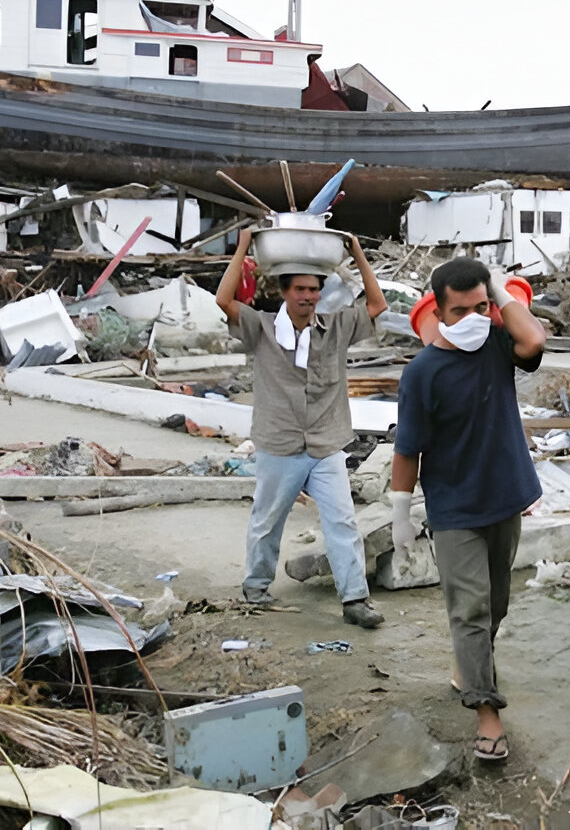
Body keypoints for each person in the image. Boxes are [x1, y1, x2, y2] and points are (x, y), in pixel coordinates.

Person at [388, 257, 547, 761]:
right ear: (438, 310)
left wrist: (498, 291)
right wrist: (400, 512)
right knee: (472, 608)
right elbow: (407, 449)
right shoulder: (422, 373)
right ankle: (487, 714)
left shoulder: (498, 344)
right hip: (454, 509)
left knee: (495, 604)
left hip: (506, 497)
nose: (475, 317)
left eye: (482, 306)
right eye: (462, 310)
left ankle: (468, 666)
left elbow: (535, 341)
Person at [215, 227, 389, 629]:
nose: (308, 296)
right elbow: (224, 300)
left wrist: (358, 250)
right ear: (284, 292)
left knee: (342, 521)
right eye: (300, 290)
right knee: (267, 520)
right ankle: (256, 586)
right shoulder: (260, 328)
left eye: (314, 289)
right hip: (280, 444)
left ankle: (355, 600)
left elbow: (377, 304)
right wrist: (244, 246)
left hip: (326, 443)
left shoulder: (336, 327)